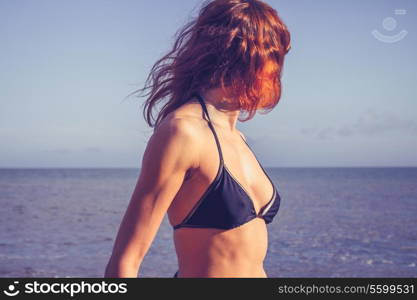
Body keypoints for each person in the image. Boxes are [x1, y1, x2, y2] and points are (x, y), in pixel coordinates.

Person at [104, 0, 291, 278]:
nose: (277, 72)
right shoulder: (183, 132)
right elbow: (126, 261)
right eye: (274, 57)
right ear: (249, 56)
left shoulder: (236, 137)